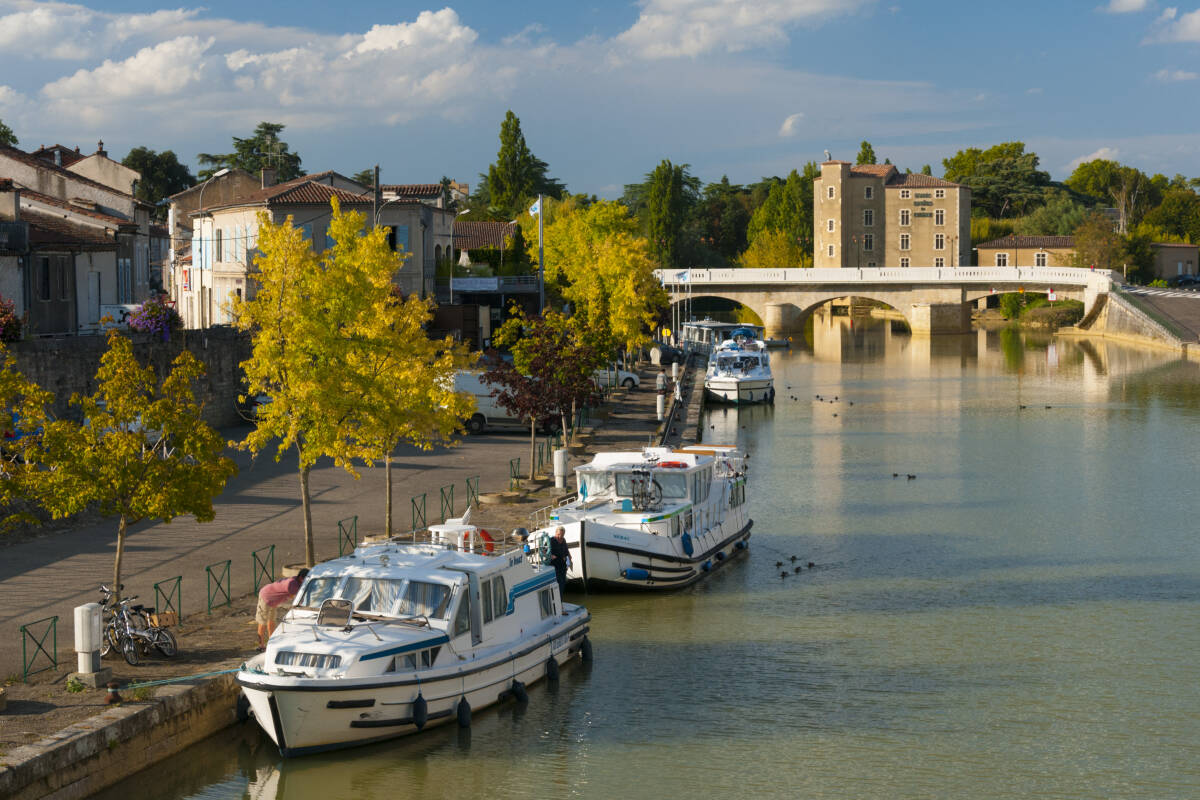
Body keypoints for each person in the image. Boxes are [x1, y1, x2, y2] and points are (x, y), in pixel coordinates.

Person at [256, 568, 308, 649]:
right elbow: (298, 599)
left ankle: (271, 642)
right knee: (262, 621)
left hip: (274, 600)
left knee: (271, 620)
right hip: (266, 596)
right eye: (306, 579)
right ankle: (260, 645)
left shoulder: (297, 580)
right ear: (301, 578)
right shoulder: (292, 585)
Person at [548, 526, 571, 611]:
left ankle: (560, 604)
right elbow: (544, 550)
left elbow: (566, 551)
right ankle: (557, 606)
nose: (560, 536)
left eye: (561, 535)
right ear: (556, 533)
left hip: (562, 566)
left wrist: (569, 558)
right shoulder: (551, 540)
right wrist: (550, 555)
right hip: (554, 566)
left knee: (562, 585)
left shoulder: (563, 540)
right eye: (558, 534)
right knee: (557, 585)